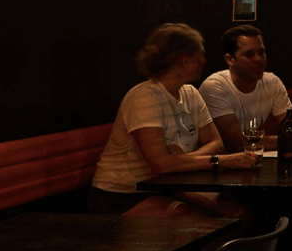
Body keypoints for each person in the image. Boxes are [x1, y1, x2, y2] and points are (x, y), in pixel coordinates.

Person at [91, 24, 257, 215]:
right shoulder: (144, 97)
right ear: (183, 61)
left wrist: (180, 160)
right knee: (197, 222)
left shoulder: (190, 93)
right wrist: (222, 161)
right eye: (199, 55)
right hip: (122, 194)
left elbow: (216, 143)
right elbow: (161, 165)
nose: (204, 61)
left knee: (238, 213)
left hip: (169, 185)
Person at [199, 25, 291, 153]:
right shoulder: (215, 86)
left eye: (261, 52)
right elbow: (238, 143)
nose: (258, 59)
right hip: (223, 161)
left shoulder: (272, 82)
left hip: (250, 158)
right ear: (230, 59)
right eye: (249, 54)